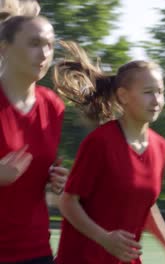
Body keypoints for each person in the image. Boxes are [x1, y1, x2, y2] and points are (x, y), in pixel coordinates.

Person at [52, 41, 165, 264]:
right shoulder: (100, 142)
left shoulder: (161, 147)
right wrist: (104, 238)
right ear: (123, 96)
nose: (157, 100)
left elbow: (146, 204)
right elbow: (68, 202)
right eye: (148, 92)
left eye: (161, 92)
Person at [0, 4, 68, 264]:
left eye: (50, 45)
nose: (44, 53)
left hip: (35, 250)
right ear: (3, 47)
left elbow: (38, 172)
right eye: (34, 43)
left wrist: (54, 179)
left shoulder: (54, 107)